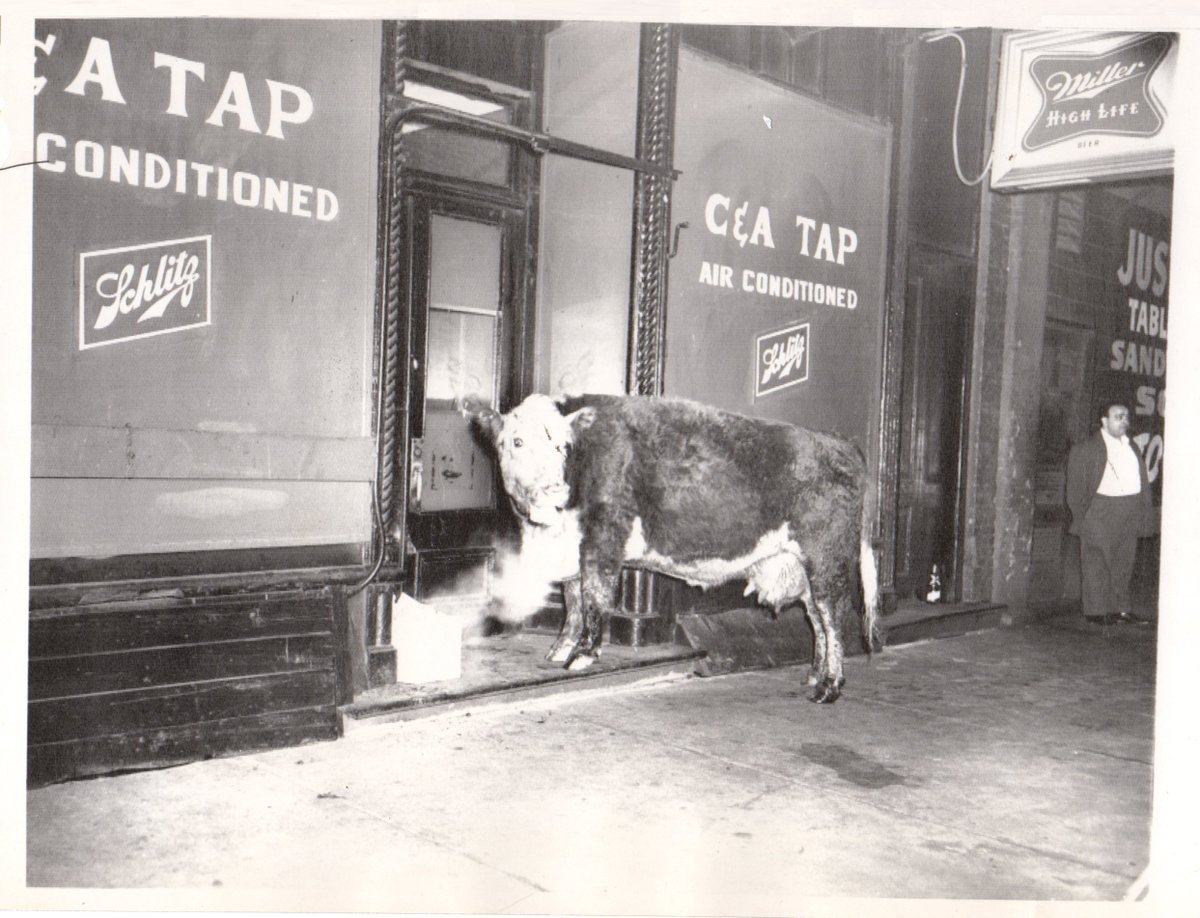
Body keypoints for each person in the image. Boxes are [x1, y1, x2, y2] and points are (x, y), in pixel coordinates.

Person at [1065, 402, 1155, 625]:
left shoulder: (1132, 447)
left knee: (1124, 562)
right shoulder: (1085, 449)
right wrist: (1084, 517)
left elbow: (1142, 480)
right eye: (1118, 417)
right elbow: (1074, 490)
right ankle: (1096, 612)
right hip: (1101, 509)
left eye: (1126, 417)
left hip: (1129, 509)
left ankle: (1120, 610)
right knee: (1097, 560)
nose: (1124, 421)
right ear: (1104, 421)